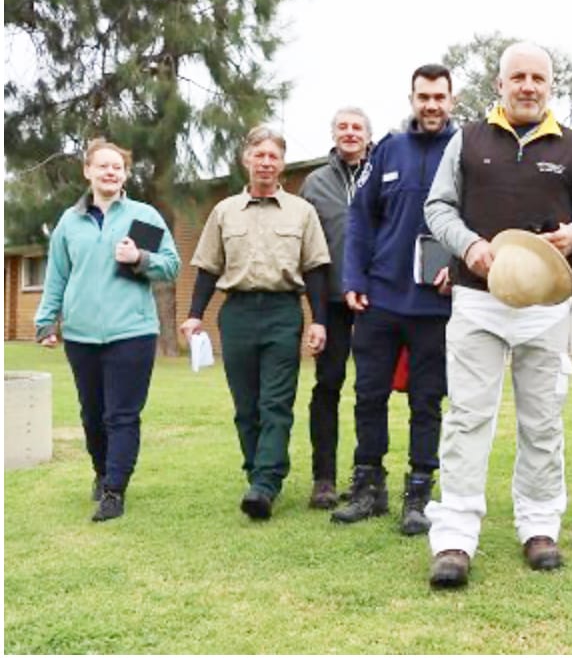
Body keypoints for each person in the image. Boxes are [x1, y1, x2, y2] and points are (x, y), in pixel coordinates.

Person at [422, 41, 572, 587]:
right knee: (467, 416)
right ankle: (455, 538)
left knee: (542, 422)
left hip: (545, 307)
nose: (529, 86)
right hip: (478, 300)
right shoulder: (467, 140)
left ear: (550, 87)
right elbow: (438, 207)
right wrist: (467, 246)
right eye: (518, 77)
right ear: (499, 85)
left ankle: (539, 527)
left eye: (539, 78)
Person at [180, 125, 331, 521]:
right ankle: (257, 474)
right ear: (246, 159)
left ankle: (265, 483)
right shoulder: (224, 211)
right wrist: (195, 314)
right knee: (246, 406)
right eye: (259, 155)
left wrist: (319, 322)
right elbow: (208, 268)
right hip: (238, 314)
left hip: (283, 312)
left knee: (275, 402)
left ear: (282, 163)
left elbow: (316, 269)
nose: (266, 162)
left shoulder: (302, 212)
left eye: (273, 156)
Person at [334, 64, 457, 533]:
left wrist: (460, 270)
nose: (431, 105)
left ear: (452, 100)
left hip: (436, 305)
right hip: (380, 300)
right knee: (368, 396)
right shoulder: (387, 149)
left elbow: (477, 223)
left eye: (439, 97)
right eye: (423, 96)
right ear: (412, 98)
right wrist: (353, 280)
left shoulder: (464, 151)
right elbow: (361, 220)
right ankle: (368, 488)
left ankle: (419, 494)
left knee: (427, 401)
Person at [34, 138, 181, 522]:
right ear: (88, 171)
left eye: (118, 167)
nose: (111, 172)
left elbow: (170, 265)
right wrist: (47, 322)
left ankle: (115, 490)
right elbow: (56, 277)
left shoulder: (143, 216)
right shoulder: (69, 221)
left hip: (132, 332)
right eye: (103, 166)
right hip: (81, 336)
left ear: (125, 174)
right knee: (92, 414)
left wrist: (140, 258)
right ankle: (101, 473)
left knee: (122, 415)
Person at [298, 106, 373, 509]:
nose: (349, 133)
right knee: (328, 387)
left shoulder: (383, 173)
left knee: (371, 389)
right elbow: (306, 248)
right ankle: (323, 478)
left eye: (356, 127)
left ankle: (366, 477)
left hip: (375, 301)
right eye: (342, 127)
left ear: (367, 135)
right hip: (330, 301)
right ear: (333, 134)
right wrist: (315, 316)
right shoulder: (314, 184)